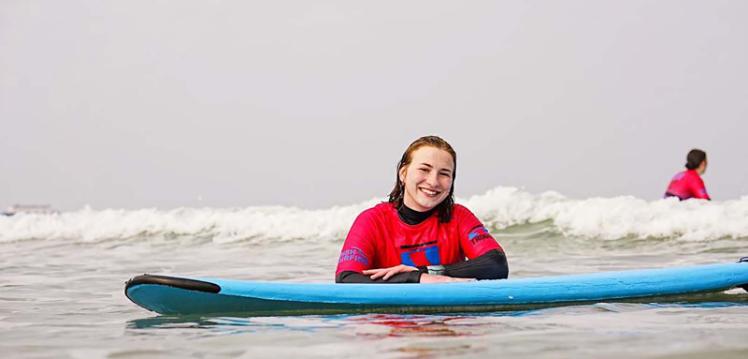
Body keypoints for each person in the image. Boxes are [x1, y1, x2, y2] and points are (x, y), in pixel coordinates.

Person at [335, 136, 509, 284]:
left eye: (444, 173)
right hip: (391, 322)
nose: (433, 181)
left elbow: (496, 264)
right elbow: (346, 278)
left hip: (449, 321)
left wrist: (430, 273)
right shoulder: (372, 221)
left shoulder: (458, 217)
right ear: (403, 173)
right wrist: (415, 277)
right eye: (424, 169)